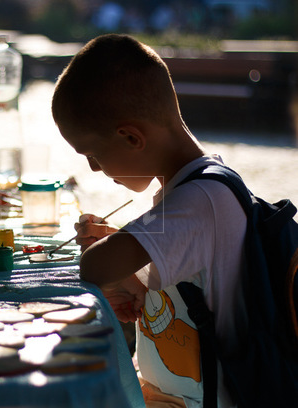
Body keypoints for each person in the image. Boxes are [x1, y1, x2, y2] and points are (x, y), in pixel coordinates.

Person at [51, 34, 246, 407]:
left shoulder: (197, 201)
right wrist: (133, 278)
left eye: (93, 154)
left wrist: (113, 250)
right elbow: (178, 270)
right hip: (174, 395)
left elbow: (95, 264)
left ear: (130, 137)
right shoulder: (192, 189)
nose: (93, 167)